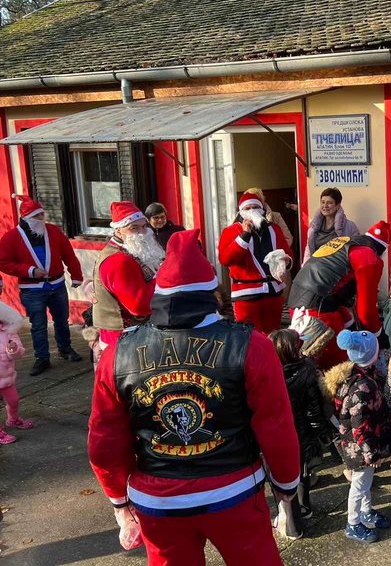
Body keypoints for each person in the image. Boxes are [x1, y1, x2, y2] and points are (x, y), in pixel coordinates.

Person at [88, 229, 301, 565]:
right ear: (213, 294)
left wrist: (118, 498)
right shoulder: (252, 346)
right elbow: (276, 425)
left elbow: (105, 438)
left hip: (159, 500)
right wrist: (286, 484)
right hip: (233, 492)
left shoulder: (118, 354)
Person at [320, 330, 391, 544]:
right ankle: (353, 522)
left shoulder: (356, 375)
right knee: (359, 485)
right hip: (360, 447)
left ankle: (366, 512)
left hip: (356, 444)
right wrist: (372, 453)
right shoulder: (362, 387)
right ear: (371, 355)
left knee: (365, 482)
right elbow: (361, 425)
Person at [288, 221, 391, 370]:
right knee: (338, 368)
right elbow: (366, 310)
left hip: (297, 303)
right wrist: (377, 336)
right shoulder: (368, 256)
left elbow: (335, 290)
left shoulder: (345, 241)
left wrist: (350, 324)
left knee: (313, 365)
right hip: (319, 311)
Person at [0, 194, 83, 375]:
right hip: (32, 290)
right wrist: (29, 270)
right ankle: (42, 358)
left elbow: (68, 254)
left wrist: (76, 275)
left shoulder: (53, 231)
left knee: (62, 320)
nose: (41, 218)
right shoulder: (12, 237)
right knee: (38, 325)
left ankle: (65, 348)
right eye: (36, 216)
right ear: (26, 218)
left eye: (41, 214)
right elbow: (3, 262)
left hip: (57, 284)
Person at [269, 328, 327, 540]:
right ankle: (305, 507)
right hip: (302, 434)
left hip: (277, 435)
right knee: (302, 472)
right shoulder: (307, 371)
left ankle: (293, 526)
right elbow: (314, 410)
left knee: (283, 478)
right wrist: (322, 432)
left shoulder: (267, 374)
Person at [218, 189, 294, 335]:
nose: (252, 211)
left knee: (273, 337)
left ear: (262, 209)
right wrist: (244, 236)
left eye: (255, 207)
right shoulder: (231, 231)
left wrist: (286, 260)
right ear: (241, 212)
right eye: (247, 208)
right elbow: (225, 259)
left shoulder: (274, 229)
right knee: (251, 338)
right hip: (246, 295)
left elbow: (288, 254)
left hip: (273, 293)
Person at [92, 201, 162, 352]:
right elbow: (139, 306)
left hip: (133, 336)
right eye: (134, 228)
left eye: (144, 226)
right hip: (123, 341)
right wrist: (162, 277)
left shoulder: (130, 250)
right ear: (118, 231)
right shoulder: (118, 260)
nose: (142, 233)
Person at [0, 300, 33, 444]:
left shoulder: (9, 331)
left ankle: (13, 419)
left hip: (6, 378)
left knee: (13, 400)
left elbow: (18, 353)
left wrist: (13, 350)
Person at [303, 187, 359, 264]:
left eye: (329, 203)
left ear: (337, 206)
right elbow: (308, 250)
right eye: (322, 202)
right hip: (316, 269)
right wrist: (305, 267)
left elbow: (355, 251)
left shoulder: (350, 226)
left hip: (338, 269)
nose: (325, 206)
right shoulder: (313, 226)